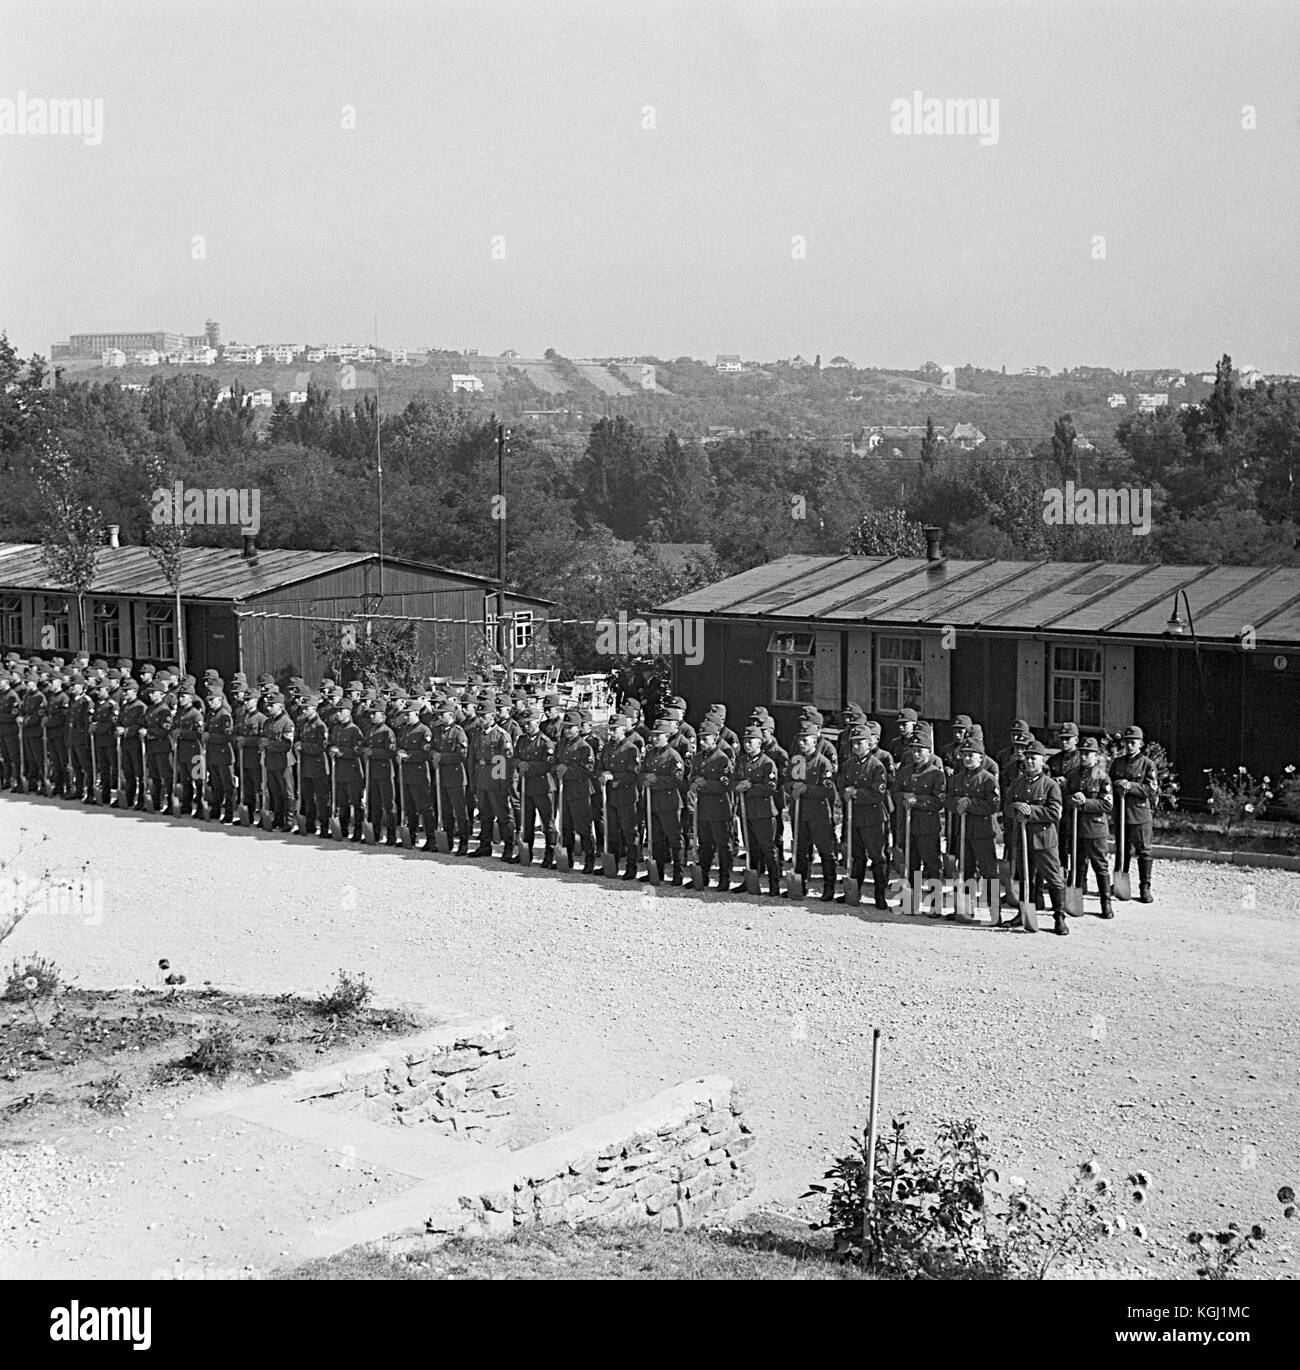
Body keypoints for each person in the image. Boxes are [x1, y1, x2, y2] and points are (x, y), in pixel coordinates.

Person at [1005, 739, 1068, 935]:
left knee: (1054, 878)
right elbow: (1006, 809)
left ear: (1042, 761)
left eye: (1034, 758)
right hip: (1022, 839)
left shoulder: (1050, 785)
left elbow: (1055, 813)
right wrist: (1015, 808)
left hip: (1044, 839)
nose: (1030, 762)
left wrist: (1030, 810)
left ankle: (1059, 917)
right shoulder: (1017, 784)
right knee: (1025, 878)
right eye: (1027, 758)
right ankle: (1024, 913)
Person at [839, 722, 892, 909]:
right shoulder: (848, 764)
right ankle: (854, 892)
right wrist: (845, 794)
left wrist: (857, 793)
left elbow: (879, 793)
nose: (855, 747)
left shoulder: (876, 766)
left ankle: (880, 895)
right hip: (855, 818)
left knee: (878, 857)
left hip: (874, 819)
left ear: (869, 744)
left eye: (859, 743)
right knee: (857, 857)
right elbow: (841, 785)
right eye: (853, 743)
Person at [784, 721, 838, 901]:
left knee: (825, 851)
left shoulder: (823, 763)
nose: (801, 744)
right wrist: (793, 787)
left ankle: (829, 887)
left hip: (819, 814)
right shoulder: (796, 760)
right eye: (800, 740)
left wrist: (806, 789)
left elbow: (827, 790)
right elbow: (786, 784)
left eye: (805, 740)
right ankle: (801, 886)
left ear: (814, 742)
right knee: (800, 851)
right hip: (799, 813)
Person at [945, 737, 1001, 908]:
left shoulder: (988, 779)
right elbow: (948, 801)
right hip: (963, 831)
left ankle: (993, 908)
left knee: (988, 870)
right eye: (964, 755)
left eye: (971, 755)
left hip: (982, 831)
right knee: (965, 869)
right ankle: (965, 908)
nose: (967, 758)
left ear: (981, 757)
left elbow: (993, 805)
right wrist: (957, 805)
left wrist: (970, 804)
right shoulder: (956, 778)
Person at [893, 723, 946, 896]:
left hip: (927, 826)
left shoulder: (936, 774)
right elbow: (896, 792)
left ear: (929, 752)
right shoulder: (906, 770)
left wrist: (916, 801)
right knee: (911, 863)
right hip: (908, 825)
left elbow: (939, 801)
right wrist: (904, 798)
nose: (915, 754)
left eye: (920, 750)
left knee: (932, 865)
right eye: (913, 750)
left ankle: (934, 902)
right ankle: (911, 900)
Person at [1066, 736, 1114, 918]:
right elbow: (1064, 797)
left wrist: (1085, 803)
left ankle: (1105, 904)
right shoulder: (1073, 775)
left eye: (1088, 754)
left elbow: (1107, 804)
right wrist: (1073, 800)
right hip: (1076, 828)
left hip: (1095, 829)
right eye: (1082, 753)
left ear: (1096, 757)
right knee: (1077, 865)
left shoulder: (1103, 778)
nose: (1084, 757)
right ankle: (1075, 902)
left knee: (1100, 866)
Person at [1110, 724, 1158, 903]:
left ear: (1141, 744)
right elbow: (1109, 782)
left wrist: (1131, 786)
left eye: (1133, 742)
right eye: (1127, 742)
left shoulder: (1147, 764)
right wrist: (1118, 785)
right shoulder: (1117, 762)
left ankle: (1144, 887)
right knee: (1122, 850)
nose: (1129, 745)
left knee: (1144, 851)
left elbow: (1151, 790)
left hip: (1139, 815)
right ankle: (1120, 883)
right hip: (1121, 813)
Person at [731, 725, 782, 896]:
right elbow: (733, 781)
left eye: (750, 741)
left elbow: (771, 787)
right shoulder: (741, 761)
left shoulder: (768, 763)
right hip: (746, 812)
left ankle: (774, 883)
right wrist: (738, 786)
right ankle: (750, 881)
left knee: (767, 848)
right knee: (750, 848)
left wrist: (750, 787)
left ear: (759, 743)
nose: (747, 744)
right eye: (745, 741)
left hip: (764, 812)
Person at [689, 721, 735, 891]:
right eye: (700, 739)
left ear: (715, 738)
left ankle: (724, 878)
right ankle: (703, 876)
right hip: (702, 808)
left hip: (719, 808)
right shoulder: (698, 758)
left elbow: (725, 785)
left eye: (705, 739)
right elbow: (691, 777)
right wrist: (695, 782)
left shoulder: (722, 759)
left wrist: (704, 784)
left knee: (723, 844)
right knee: (705, 843)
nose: (701, 742)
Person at [639, 721, 686, 885]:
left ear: (667, 736)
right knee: (655, 838)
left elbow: (677, 780)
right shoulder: (650, 754)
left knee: (674, 839)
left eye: (659, 735)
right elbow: (641, 772)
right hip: (653, 802)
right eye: (653, 735)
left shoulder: (674, 756)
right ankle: (657, 872)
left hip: (669, 803)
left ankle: (678, 873)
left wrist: (656, 780)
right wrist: (645, 778)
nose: (654, 738)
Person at [599, 714, 642, 880]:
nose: (611, 733)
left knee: (630, 832)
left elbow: (633, 774)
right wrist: (602, 775)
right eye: (610, 729)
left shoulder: (631, 749)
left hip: (626, 797)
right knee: (612, 833)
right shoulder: (607, 748)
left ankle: (631, 867)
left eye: (614, 729)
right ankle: (612, 865)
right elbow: (599, 767)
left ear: (623, 729)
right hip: (609, 796)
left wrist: (614, 778)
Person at [515, 707, 559, 867]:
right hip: (526, 786)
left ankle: (550, 853)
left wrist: (529, 766)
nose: (526, 727)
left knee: (548, 822)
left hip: (543, 786)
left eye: (529, 723)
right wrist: (519, 764)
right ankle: (526, 852)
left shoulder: (545, 742)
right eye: (524, 724)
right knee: (527, 821)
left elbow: (548, 764)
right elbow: (514, 758)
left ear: (537, 721)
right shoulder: (521, 740)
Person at [555, 711, 597, 873]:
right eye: (565, 727)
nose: (567, 731)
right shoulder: (561, 744)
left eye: (571, 728)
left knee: (583, 827)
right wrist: (557, 769)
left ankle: (589, 860)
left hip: (580, 791)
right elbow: (554, 763)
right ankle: (567, 859)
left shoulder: (584, 747)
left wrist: (568, 770)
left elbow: (588, 770)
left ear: (579, 728)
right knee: (566, 827)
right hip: (564, 791)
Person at [431, 701, 471, 854]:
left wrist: (442, 757)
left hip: (455, 777)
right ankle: (446, 841)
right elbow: (431, 748)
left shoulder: (458, 732)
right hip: (441, 776)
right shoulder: (437, 730)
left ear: (451, 715)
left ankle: (464, 842)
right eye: (439, 714)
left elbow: (461, 755)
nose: (440, 716)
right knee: (445, 810)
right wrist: (433, 754)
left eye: (443, 714)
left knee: (460, 811)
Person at [364, 703, 399, 845]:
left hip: (385, 771)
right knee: (375, 804)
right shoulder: (369, 730)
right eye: (370, 714)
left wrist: (373, 753)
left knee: (389, 804)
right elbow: (363, 745)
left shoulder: (387, 732)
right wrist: (363, 750)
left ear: (383, 715)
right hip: (372, 771)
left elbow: (390, 752)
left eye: (375, 713)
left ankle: (391, 835)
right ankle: (376, 833)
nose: (372, 716)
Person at [261, 693, 295, 830]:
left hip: (284, 762)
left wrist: (269, 744)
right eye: (267, 704)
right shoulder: (267, 722)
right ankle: (278, 818)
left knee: (287, 792)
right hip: (271, 761)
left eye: (271, 705)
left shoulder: (287, 722)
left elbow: (287, 745)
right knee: (275, 792)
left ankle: (290, 820)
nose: (268, 707)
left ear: (280, 706)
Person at [205, 691, 237, 823]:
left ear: (220, 700)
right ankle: (215, 810)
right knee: (216, 785)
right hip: (213, 755)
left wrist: (210, 737)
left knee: (228, 786)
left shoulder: (225, 716)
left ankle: (229, 813)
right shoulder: (210, 715)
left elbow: (227, 736)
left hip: (224, 755)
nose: (210, 702)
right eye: (209, 700)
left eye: (212, 700)